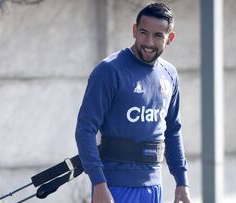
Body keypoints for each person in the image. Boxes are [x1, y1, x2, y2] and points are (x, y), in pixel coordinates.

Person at [75, 3, 192, 203]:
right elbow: (85, 130)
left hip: (154, 188)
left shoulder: (170, 74)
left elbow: (172, 130)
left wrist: (182, 182)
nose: (149, 42)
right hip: (114, 188)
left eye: (158, 36)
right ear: (134, 30)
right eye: (143, 33)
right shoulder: (109, 71)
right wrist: (99, 183)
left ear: (169, 38)